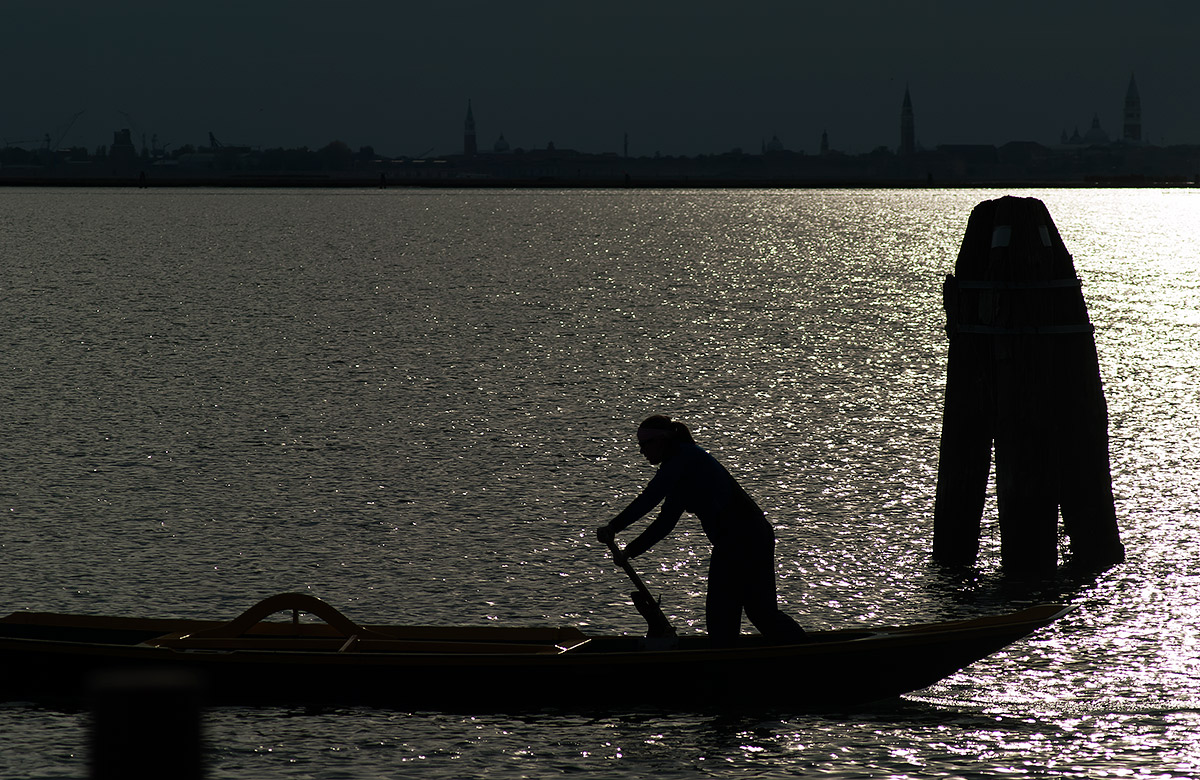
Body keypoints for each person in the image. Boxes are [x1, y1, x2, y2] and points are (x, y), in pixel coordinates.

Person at [597, 414, 805, 646]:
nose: (642, 451)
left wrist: (614, 527)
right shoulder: (681, 467)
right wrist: (631, 550)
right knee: (760, 613)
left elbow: (649, 498)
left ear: (662, 440)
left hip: (739, 540)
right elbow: (665, 522)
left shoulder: (682, 459)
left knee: (727, 617)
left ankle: (799, 652)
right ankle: (803, 649)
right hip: (752, 536)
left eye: (645, 444)